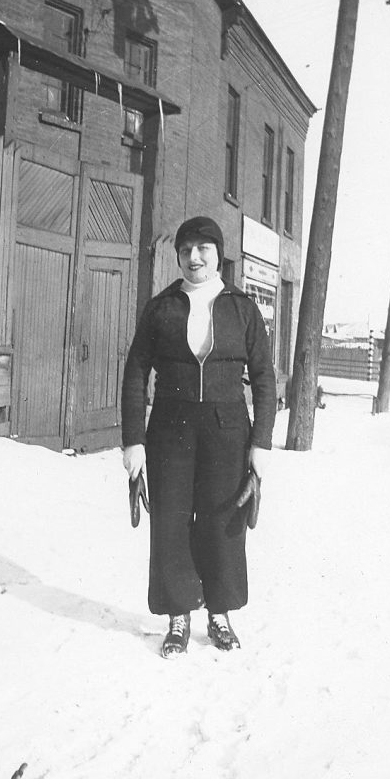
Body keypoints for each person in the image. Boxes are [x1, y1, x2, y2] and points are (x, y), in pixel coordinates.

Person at [121, 216, 276, 658]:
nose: (194, 258)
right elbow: (136, 372)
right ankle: (178, 614)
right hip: (170, 430)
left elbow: (265, 380)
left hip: (228, 432)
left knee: (223, 521)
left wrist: (260, 444)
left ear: (218, 254)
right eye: (186, 249)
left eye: (203, 249)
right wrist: (134, 440)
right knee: (169, 520)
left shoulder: (242, 309)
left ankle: (220, 613)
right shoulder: (162, 307)